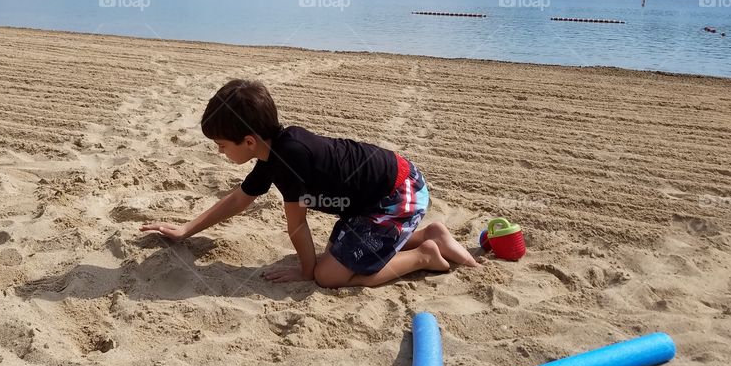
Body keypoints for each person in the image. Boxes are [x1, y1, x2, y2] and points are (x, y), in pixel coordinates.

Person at [140, 79, 479, 288]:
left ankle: (424, 255)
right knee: (336, 256)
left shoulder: (290, 159)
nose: (219, 152)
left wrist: (306, 272)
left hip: (397, 195)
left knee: (328, 275)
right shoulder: (271, 151)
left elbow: (297, 225)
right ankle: (431, 234)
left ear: (247, 141)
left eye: (222, 146)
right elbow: (239, 200)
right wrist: (186, 229)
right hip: (379, 196)